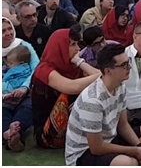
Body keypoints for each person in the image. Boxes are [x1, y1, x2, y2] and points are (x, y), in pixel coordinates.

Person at [64, 44, 141, 166]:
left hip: (110, 138)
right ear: (108, 71)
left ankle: (133, 159)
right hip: (85, 152)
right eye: (124, 65)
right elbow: (96, 148)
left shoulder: (120, 85)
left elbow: (123, 124)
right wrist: (135, 151)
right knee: (127, 163)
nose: (129, 67)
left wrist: (140, 146)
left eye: (128, 62)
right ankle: (131, 160)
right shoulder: (93, 101)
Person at [31, 27, 102, 149]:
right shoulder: (44, 70)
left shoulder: (72, 66)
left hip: (70, 128)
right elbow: (72, 87)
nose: (78, 49)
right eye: (72, 44)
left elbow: (98, 78)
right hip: (47, 134)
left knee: (94, 91)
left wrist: (81, 63)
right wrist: (105, 74)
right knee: (71, 95)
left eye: (77, 44)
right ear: (60, 47)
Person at [2, 16, 40, 152]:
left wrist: (24, 87)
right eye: (3, 31)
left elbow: (36, 69)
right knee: (2, 113)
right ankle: (8, 135)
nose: (8, 33)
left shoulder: (23, 46)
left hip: (24, 94)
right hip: (3, 97)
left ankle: (15, 131)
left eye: (9, 29)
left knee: (28, 108)